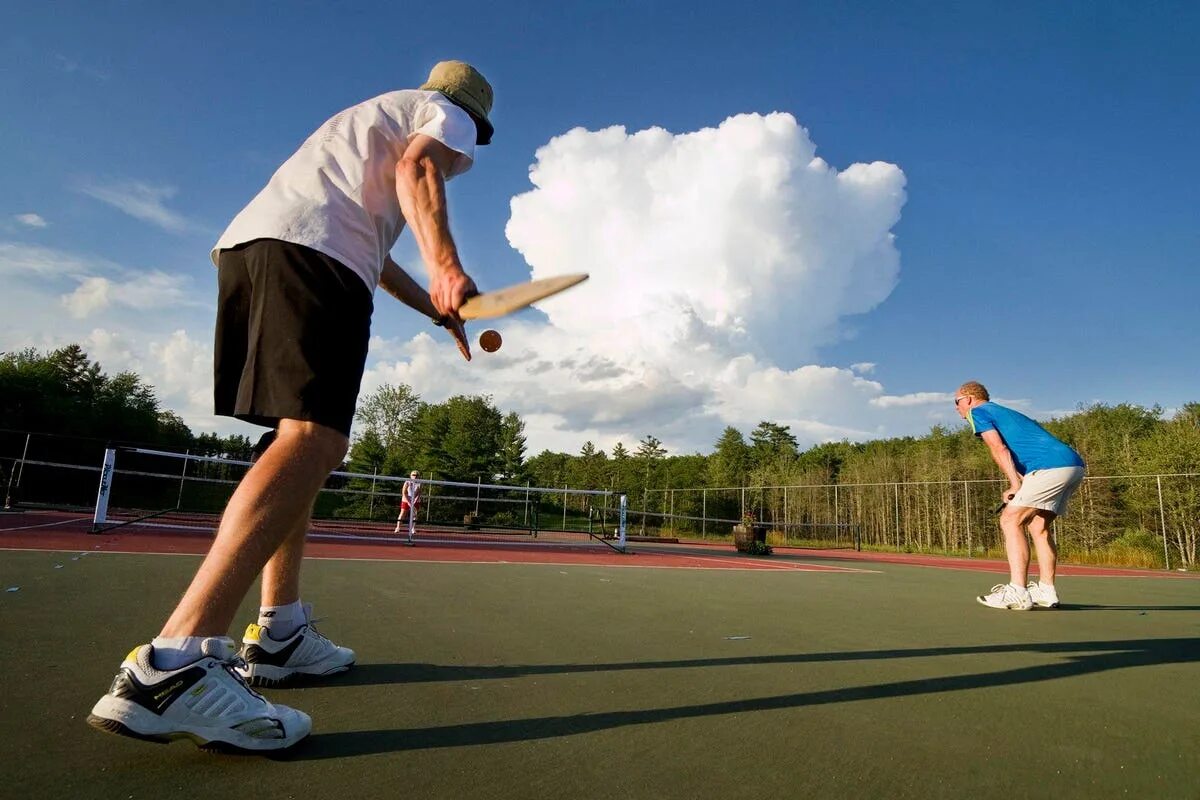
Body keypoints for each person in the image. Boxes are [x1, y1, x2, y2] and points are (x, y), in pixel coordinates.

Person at [87, 60, 494, 752]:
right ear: (472, 122)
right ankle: (175, 664)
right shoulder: (439, 114)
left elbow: (378, 256)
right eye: (471, 149)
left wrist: (432, 304)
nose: (463, 160)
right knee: (316, 441)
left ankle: (281, 633)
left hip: (255, 251)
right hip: (313, 257)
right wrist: (448, 265)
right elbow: (421, 171)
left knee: (296, 442)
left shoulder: (369, 130)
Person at [955, 381, 1085, 611]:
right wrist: (1021, 483)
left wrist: (1014, 484)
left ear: (968, 399)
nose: (957, 409)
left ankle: (1017, 591)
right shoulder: (1003, 412)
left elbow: (999, 449)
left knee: (1010, 520)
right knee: (1038, 526)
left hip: (1049, 467)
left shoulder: (978, 411)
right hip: (1072, 465)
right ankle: (1046, 590)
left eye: (957, 403)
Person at [393, 470, 422, 535]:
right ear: (410, 476)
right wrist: (409, 502)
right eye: (413, 475)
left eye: (416, 475)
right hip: (406, 500)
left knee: (415, 514)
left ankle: (413, 528)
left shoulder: (420, 483)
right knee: (402, 513)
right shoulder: (407, 482)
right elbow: (404, 493)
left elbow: (419, 493)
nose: (415, 476)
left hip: (415, 500)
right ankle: (398, 527)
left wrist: (414, 501)